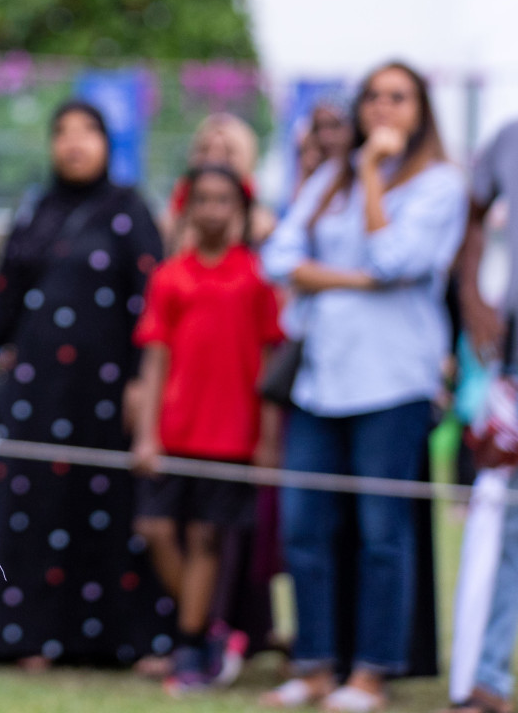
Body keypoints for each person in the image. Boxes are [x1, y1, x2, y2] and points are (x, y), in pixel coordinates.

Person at [259, 61, 465, 712]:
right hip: (322, 380)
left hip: (393, 381)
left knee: (383, 533)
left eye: (397, 97)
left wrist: (374, 173)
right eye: (373, 97)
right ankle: (316, 666)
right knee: (305, 527)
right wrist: (349, 277)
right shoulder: (328, 178)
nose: (382, 108)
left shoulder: (439, 185)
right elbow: (279, 259)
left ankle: (371, 671)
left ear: (421, 109)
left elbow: (394, 259)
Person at [0, 100, 172, 668]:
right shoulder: (37, 210)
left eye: (88, 132)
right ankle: (28, 637)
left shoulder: (129, 211)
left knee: (107, 506)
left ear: (108, 144)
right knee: (34, 507)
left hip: (108, 393)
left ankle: (120, 641)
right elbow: (4, 294)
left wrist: (140, 381)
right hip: (38, 391)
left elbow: (153, 303)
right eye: (63, 132)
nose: (74, 143)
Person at [131, 164, 284, 695]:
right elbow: (154, 360)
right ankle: (214, 630)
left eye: (224, 201)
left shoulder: (260, 278)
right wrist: (147, 433)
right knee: (154, 529)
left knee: (205, 539)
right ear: (189, 207)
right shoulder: (170, 276)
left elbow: (268, 362)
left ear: (240, 210)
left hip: (232, 435)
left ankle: (192, 648)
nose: (213, 210)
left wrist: (267, 439)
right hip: (174, 430)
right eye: (204, 200)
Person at [446, 116, 518, 713]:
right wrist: (472, 294)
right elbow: (471, 213)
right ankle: (488, 675)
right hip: (515, 354)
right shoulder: (508, 137)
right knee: (507, 518)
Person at [162, 113, 275, 251]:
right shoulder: (172, 218)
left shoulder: (264, 229)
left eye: (228, 151)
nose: (214, 158)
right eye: (204, 149)